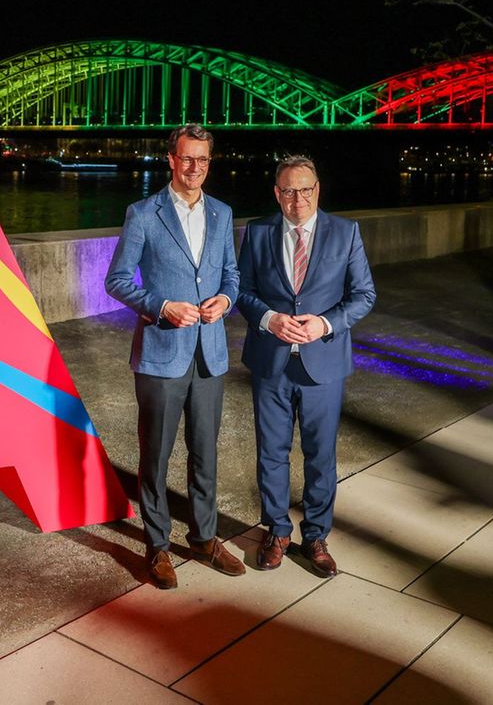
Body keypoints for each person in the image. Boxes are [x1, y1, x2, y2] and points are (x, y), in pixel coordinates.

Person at [104, 124, 245, 589]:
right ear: (170, 159)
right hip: (162, 353)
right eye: (187, 159)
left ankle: (204, 538)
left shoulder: (222, 213)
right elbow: (118, 280)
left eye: (203, 160)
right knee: (157, 455)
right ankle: (158, 545)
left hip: (210, 354)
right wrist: (161, 306)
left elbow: (231, 275)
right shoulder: (144, 213)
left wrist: (225, 300)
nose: (194, 168)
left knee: (205, 452)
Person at [236, 156, 375, 577]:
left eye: (306, 189)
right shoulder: (258, 231)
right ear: (277, 193)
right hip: (271, 361)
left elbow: (364, 294)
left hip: (323, 364)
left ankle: (315, 535)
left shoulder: (345, 232)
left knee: (320, 455)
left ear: (318, 189)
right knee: (272, 453)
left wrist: (325, 323)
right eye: (289, 191)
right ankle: (277, 531)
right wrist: (267, 318)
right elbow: (242, 290)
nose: (298, 199)